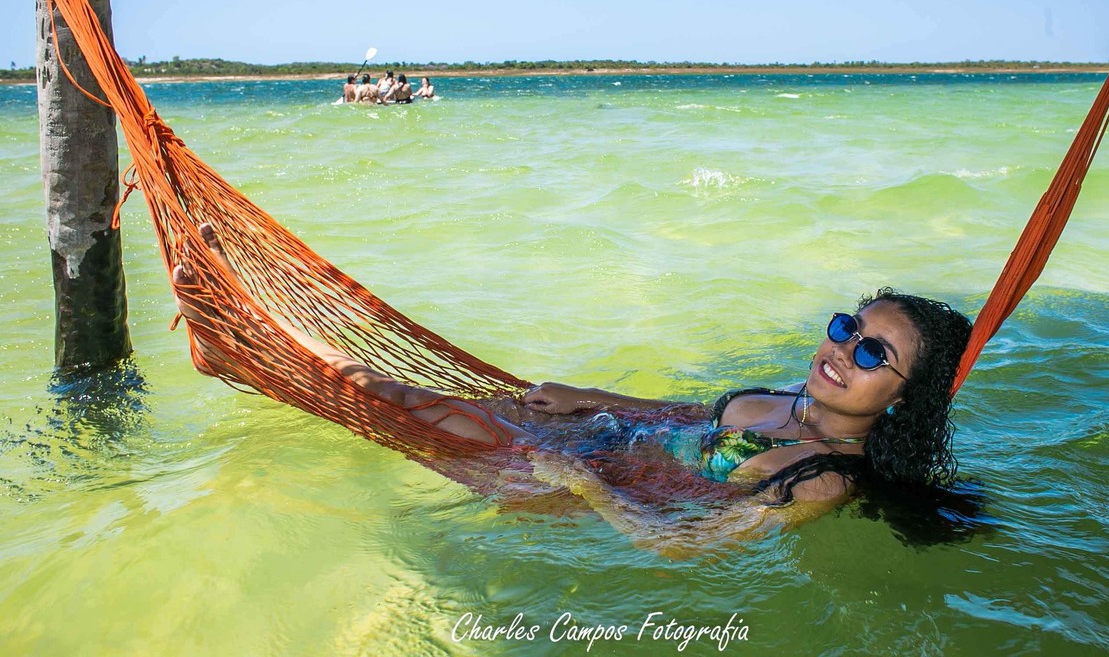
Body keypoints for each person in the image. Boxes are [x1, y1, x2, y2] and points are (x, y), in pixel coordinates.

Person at [172, 224, 972, 544]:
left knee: (404, 405)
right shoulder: (788, 400)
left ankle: (246, 337)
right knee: (406, 397)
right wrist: (591, 400)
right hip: (596, 441)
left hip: (576, 485)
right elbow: (688, 413)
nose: (844, 351)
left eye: (873, 356)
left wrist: (582, 483)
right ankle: (250, 346)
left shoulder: (825, 483)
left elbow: (683, 546)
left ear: (901, 396)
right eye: (848, 328)